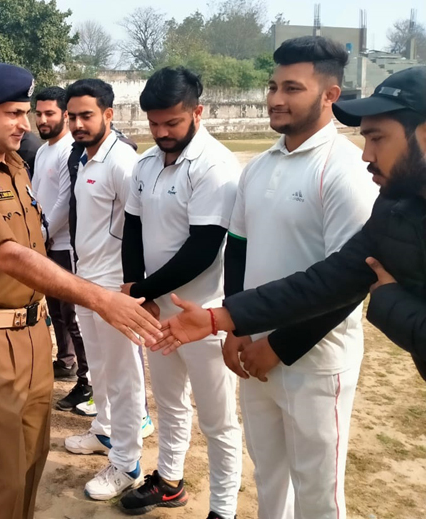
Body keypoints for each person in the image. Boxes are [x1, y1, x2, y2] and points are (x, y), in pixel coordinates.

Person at [0, 62, 162, 519]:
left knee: (31, 462)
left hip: (32, 333)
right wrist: (98, 296)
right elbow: (9, 254)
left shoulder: (14, 165)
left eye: (25, 113)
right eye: (12, 113)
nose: (24, 124)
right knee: (0, 472)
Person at [156, 37, 378, 519]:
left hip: (315, 359)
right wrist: (237, 328)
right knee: (269, 477)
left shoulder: (345, 171)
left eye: (292, 88)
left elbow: (348, 281)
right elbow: (237, 248)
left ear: (329, 95)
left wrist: (278, 346)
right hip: (253, 347)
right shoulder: (257, 167)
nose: (276, 98)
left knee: (319, 493)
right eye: (273, 85)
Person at [157, 65, 426, 379]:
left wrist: (389, 301)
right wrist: (220, 318)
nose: (366, 155)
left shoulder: (347, 174)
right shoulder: (395, 207)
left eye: (378, 138)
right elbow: (328, 282)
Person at [118, 68, 242, 518]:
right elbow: (133, 226)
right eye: (154, 123)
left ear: (197, 112)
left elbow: (204, 249)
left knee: (218, 420)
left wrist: (146, 289)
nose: (162, 132)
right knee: (170, 404)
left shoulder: (216, 165)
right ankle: (169, 481)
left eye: (172, 123)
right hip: (158, 310)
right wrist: (139, 292)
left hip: (203, 313)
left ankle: (224, 509)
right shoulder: (147, 163)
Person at [59, 78, 150, 501]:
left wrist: (135, 290)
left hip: (115, 288)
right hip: (85, 282)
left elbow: (143, 227)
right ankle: (106, 433)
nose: (77, 123)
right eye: (72, 116)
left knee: (123, 376)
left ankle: (128, 463)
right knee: (99, 369)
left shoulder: (122, 162)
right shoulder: (85, 158)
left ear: (109, 115)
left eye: (86, 115)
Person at [31, 86, 91, 411]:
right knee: (54, 310)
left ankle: (87, 381)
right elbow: (36, 195)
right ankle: (65, 360)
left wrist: (41, 233)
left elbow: (65, 201)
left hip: (65, 245)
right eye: (38, 113)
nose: (42, 119)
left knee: (72, 316)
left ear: (65, 115)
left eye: (49, 113)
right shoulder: (43, 151)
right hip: (46, 242)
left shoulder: (71, 150)